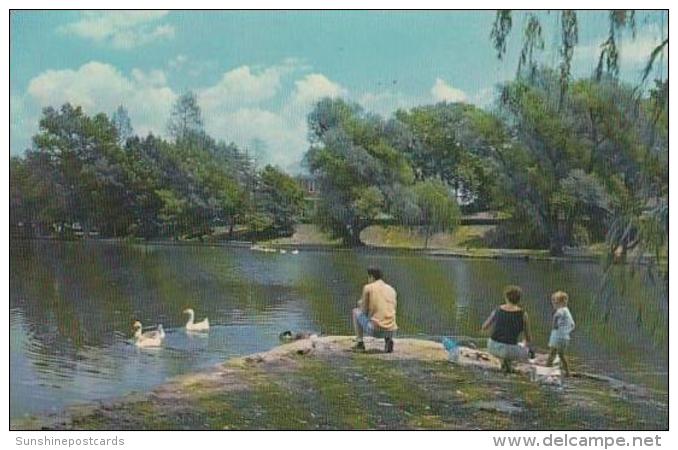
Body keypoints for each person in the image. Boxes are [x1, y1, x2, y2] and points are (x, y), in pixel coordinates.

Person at [481, 285, 532, 373]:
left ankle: (503, 363)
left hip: (492, 347)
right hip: (509, 351)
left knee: (504, 346)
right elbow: (528, 338)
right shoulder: (523, 314)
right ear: (519, 299)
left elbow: (484, 327)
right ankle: (507, 363)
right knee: (527, 349)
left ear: (506, 297)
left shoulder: (497, 310)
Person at [352, 267, 398, 353]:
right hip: (392, 330)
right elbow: (392, 308)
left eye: (368, 277)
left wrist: (361, 303)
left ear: (372, 277)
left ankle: (360, 343)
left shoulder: (368, 287)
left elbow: (363, 311)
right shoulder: (391, 289)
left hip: (376, 330)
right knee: (387, 313)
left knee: (356, 312)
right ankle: (388, 341)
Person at [546, 290, 575, 376]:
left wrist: (554, 325)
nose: (554, 305)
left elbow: (556, 315)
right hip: (565, 337)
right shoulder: (567, 311)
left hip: (557, 336)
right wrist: (567, 331)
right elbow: (573, 325)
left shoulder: (561, 310)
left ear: (560, 303)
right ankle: (567, 372)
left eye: (555, 303)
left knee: (551, 354)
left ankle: (547, 370)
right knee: (562, 355)